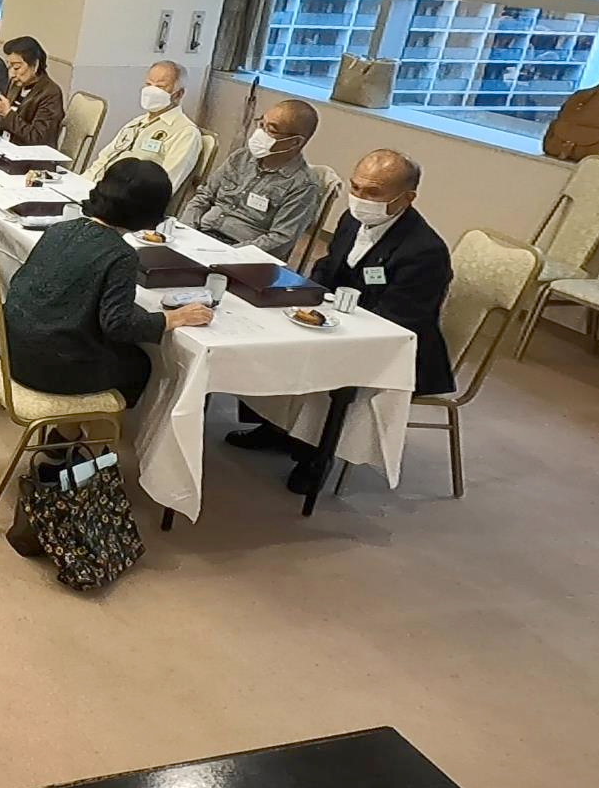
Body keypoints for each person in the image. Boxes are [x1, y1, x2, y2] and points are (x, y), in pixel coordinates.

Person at [228, 149, 454, 492]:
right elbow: (329, 266)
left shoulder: (424, 251)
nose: (360, 198)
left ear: (406, 198)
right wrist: (308, 296)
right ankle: (274, 426)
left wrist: (336, 321)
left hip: (393, 346)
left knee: (326, 367)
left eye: (373, 192)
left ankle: (316, 455)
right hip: (340, 317)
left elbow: (402, 318)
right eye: (356, 187)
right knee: (274, 339)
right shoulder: (351, 219)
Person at [3, 159, 215, 410]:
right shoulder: (121, 254)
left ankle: (75, 428)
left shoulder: (59, 229)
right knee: (141, 364)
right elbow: (118, 326)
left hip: (10, 349)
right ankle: (90, 428)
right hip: (50, 369)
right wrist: (172, 318)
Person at [180, 99, 322, 259]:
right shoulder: (240, 157)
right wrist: (186, 230)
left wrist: (226, 254)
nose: (260, 133)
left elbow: (280, 240)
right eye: (261, 124)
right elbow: (204, 196)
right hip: (201, 235)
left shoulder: (304, 186)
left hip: (239, 252)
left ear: (295, 142)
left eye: (271, 130)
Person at [85, 60, 202, 192]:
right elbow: (104, 158)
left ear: (179, 94)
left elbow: (164, 187)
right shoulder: (137, 123)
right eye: (148, 84)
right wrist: (83, 182)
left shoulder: (185, 133)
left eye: (160, 87)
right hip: (93, 189)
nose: (151, 91)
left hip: (123, 199)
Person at [0, 36, 64, 147]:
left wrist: (7, 114)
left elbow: (39, 138)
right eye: (9, 67)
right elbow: (8, 120)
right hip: (3, 145)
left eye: (17, 67)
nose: (12, 74)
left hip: (26, 153)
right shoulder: (15, 84)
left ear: (35, 65)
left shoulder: (50, 93)